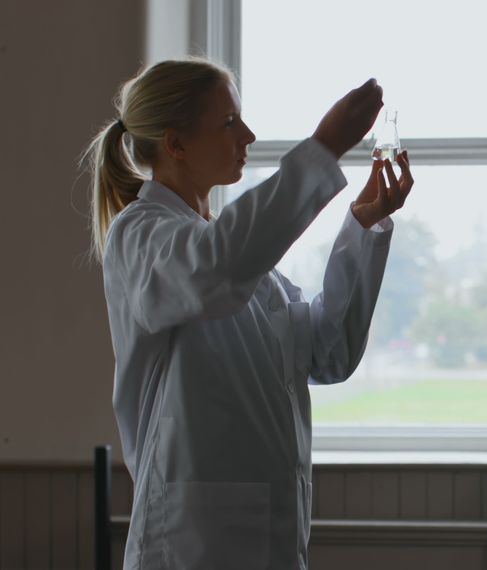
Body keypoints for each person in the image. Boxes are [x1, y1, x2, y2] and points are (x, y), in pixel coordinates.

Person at [83, 57, 413, 569]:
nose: (249, 135)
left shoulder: (251, 268)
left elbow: (330, 352)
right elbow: (211, 271)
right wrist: (321, 150)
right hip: (191, 545)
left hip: (271, 542)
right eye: (230, 123)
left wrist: (362, 228)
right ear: (176, 144)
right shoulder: (142, 236)